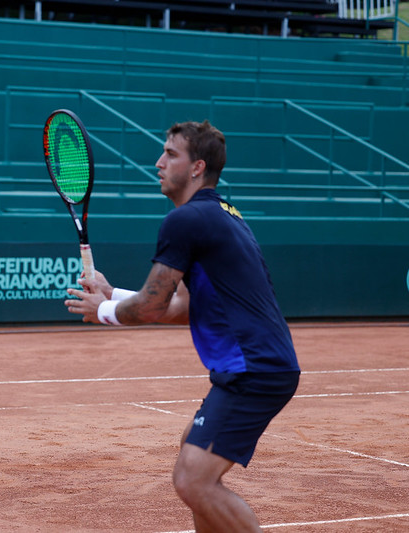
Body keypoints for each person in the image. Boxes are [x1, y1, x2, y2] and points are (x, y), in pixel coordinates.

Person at [65, 120, 300, 531]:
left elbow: (153, 307)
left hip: (254, 369)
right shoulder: (223, 214)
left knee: (193, 479)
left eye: (171, 154)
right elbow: (187, 305)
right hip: (257, 366)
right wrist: (113, 293)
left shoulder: (187, 220)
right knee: (192, 456)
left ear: (197, 168)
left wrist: (101, 311)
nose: (158, 162)